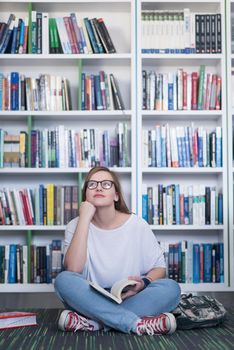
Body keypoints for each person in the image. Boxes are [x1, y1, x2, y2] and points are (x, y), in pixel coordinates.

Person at [54, 166, 181, 336]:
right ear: (86, 196)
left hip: (129, 297)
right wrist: (84, 218)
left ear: (116, 195)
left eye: (106, 184)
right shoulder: (75, 225)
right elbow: (74, 269)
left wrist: (143, 283)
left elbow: (160, 268)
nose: (98, 187)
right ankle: (134, 323)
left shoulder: (137, 224)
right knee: (63, 280)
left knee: (171, 288)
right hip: (89, 298)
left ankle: (95, 322)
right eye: (92, 185)